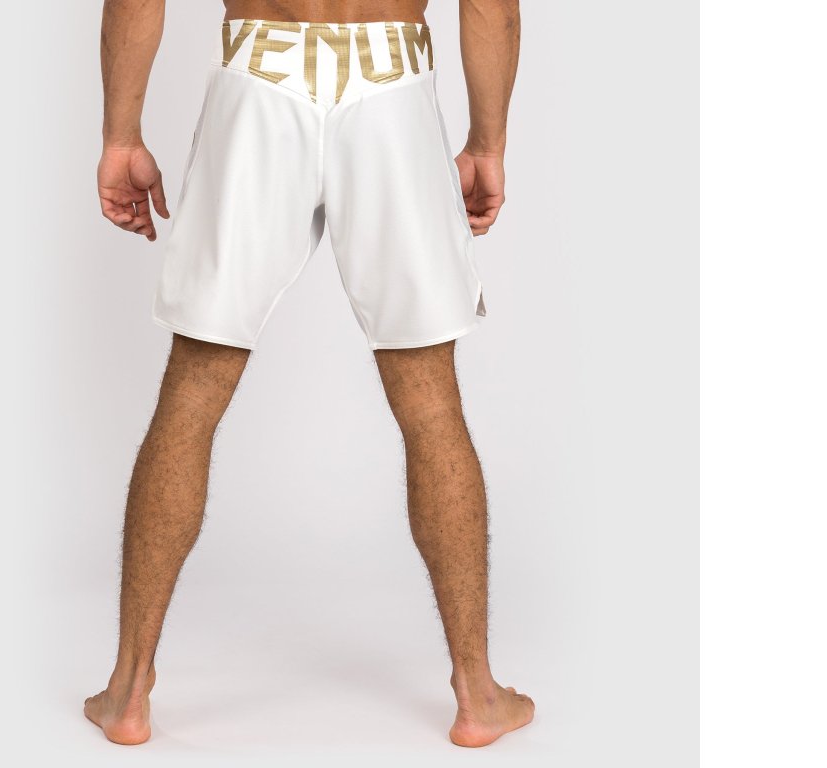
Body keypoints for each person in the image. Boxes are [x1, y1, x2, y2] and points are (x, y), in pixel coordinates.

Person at [85, 0, 532, 749]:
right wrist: (488, 143)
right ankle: (477, 694)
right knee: (429, 399)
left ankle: (128, 694)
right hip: (391, 86)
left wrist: (120, 135)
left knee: (193, 389)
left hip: (260, 77)